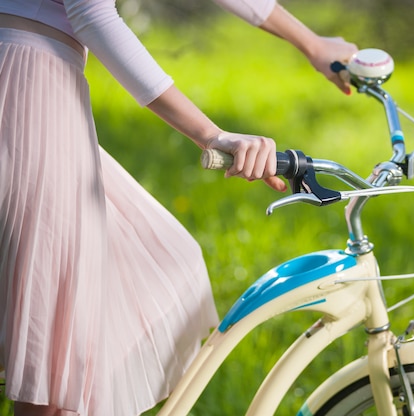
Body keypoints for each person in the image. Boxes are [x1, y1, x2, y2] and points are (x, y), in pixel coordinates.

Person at [0, 0, 357, 414]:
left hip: (35, 79)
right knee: (55, 349)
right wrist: (211, 134)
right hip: (28, 87)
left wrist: (311, 43)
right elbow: (91, 12)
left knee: (137, 277)